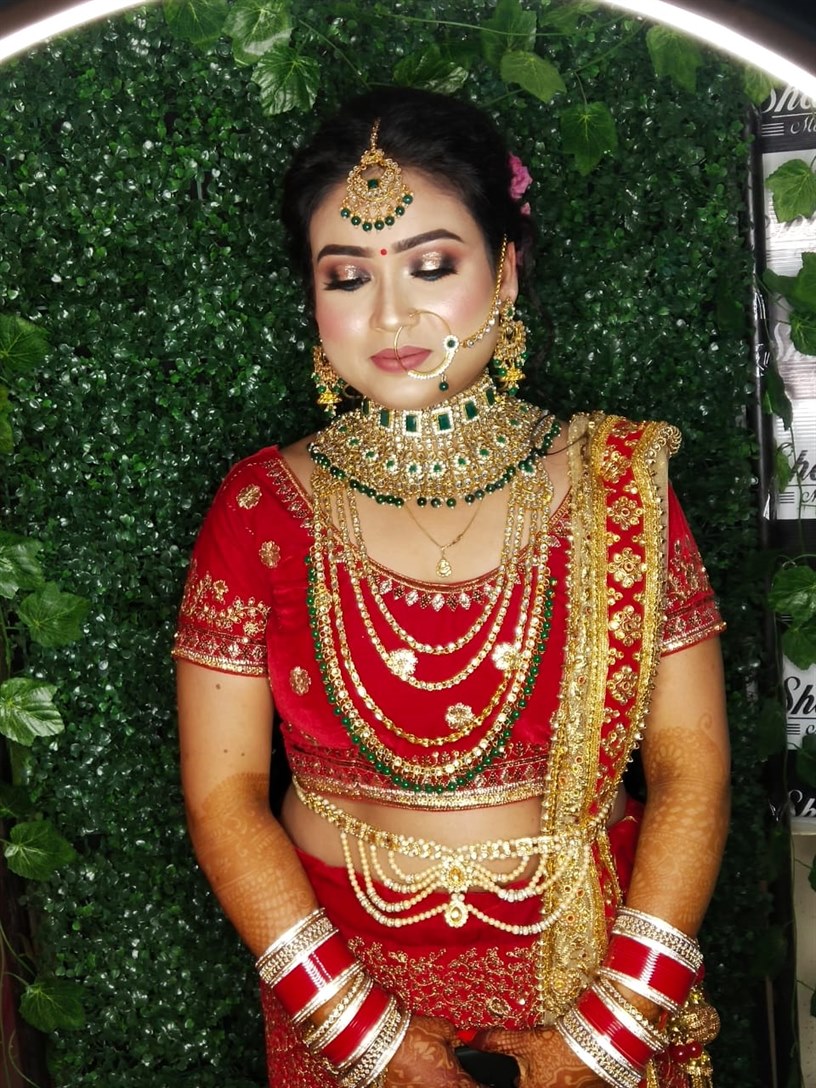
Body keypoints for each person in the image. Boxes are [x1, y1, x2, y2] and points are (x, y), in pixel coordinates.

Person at [173, 87, 730, 1088]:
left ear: (504, 271)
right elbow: (224, 796)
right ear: (312, 296)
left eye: (432, 265)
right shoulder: (260, 508)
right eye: (348, 276)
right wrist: (360, 1033)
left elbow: (691, 768)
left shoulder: (616, 484)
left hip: (594, 970)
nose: (391, 314)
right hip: (342, 981)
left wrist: (611, 1029)